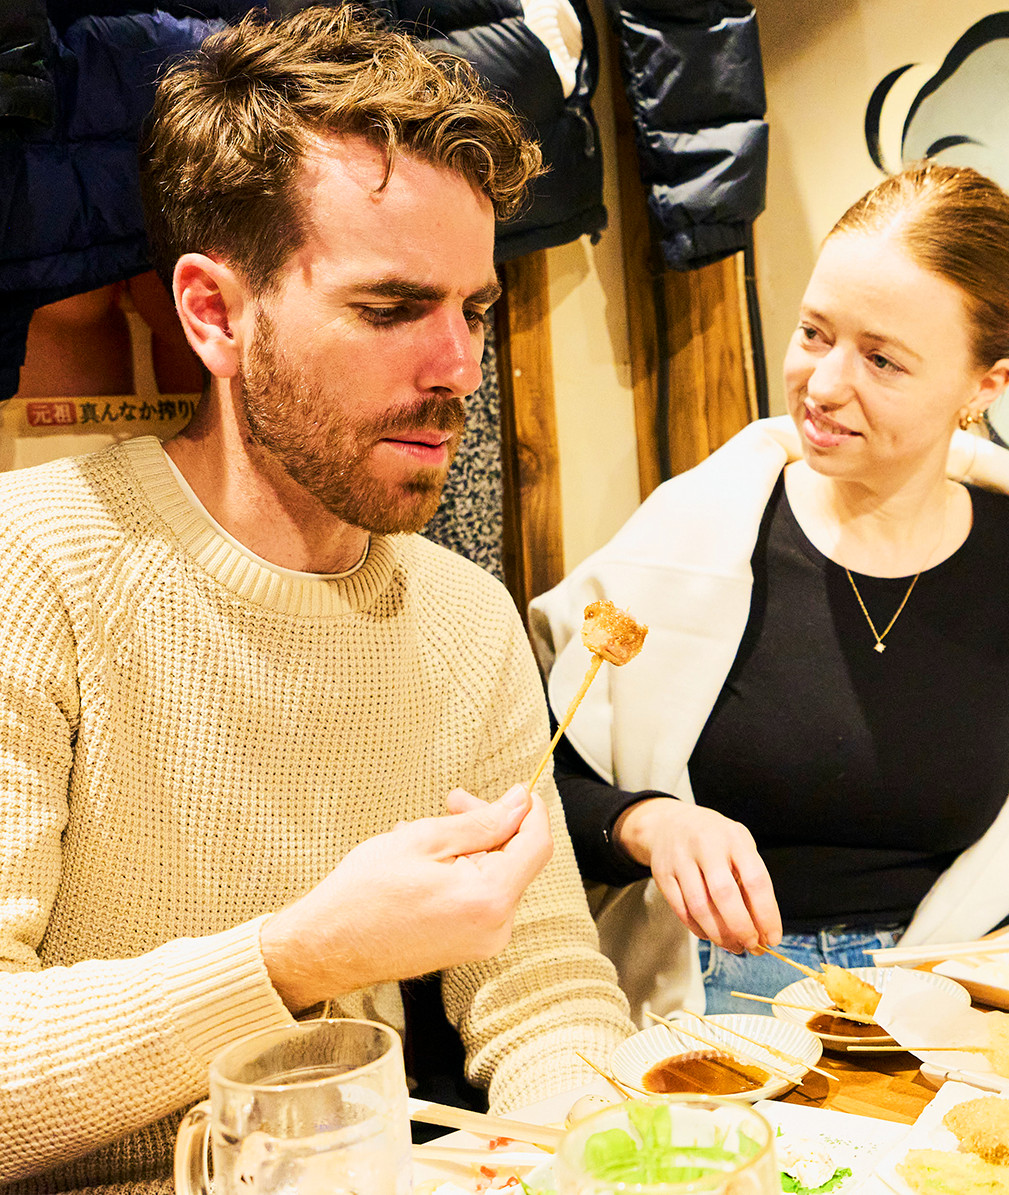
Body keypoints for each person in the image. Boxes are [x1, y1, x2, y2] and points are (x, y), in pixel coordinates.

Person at [0, 8, 631, 1187]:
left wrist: (586, 1149)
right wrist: (299, 954)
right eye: (390, 309)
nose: (458, 368)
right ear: (213, 314)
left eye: (473, 309)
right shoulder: (30, 568)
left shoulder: (462, 616)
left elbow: (544, 991)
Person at [530, 164, 1009, 1017]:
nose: (826, 385)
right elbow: (537, 781)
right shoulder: (696, 532)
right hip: (711, 989)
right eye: (813, 333)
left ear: (984, 386)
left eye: (883, 359)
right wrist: (650, 822)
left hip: (952, 989)